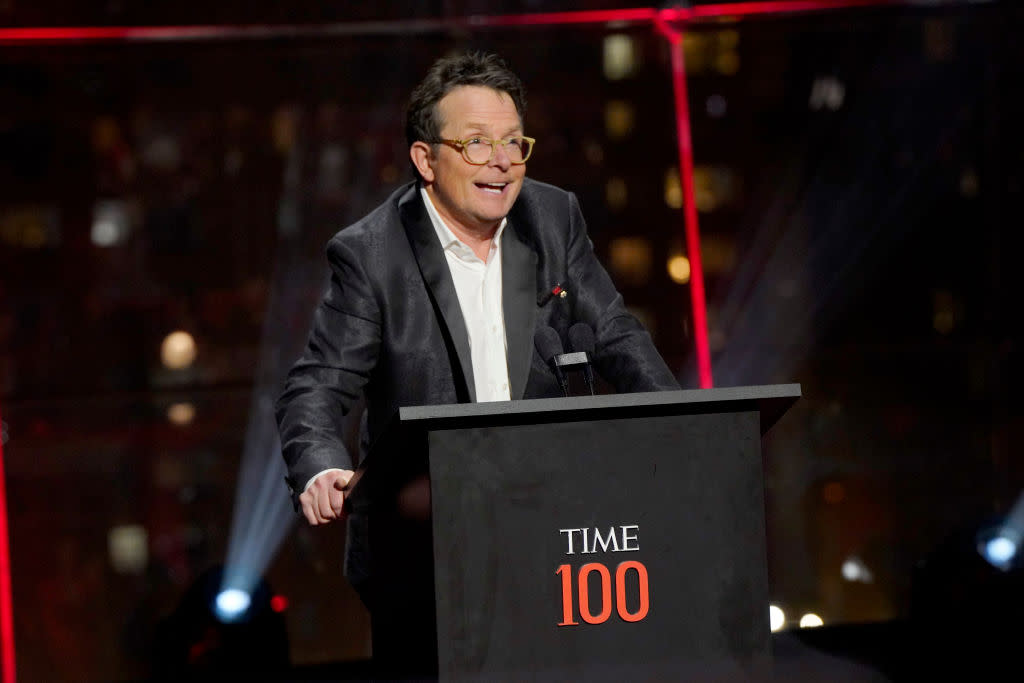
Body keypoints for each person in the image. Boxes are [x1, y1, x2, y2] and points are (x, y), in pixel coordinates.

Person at [276, 51, 679, 592]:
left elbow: (616, 335)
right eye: (477, 144)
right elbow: (316, 385)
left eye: (514, 142)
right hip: (426, 544)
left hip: (551, 533)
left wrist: (686, 431)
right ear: (426, 159)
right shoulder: (371, 254)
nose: (502, 161)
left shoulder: (553, 218)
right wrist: (322, 467)